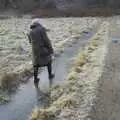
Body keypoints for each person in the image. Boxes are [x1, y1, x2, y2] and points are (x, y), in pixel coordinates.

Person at [28, 18, 55, 84]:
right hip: (42, 49)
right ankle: (50, 75)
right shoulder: (41, 29)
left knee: (36, 64)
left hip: (35, 51)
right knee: (49, 61)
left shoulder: (30, 31)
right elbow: (46, 40)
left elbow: (30, 42)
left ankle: (35, 79)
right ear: (38, 23)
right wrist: (51, 50)